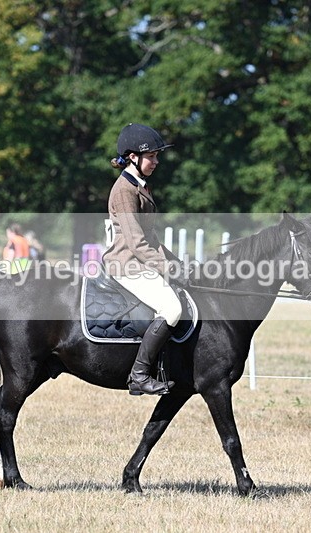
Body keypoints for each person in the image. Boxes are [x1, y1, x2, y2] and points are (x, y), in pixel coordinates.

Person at [102, 123, 185, 396]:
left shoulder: (140, 186)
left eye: (158, 156)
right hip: (127, 264)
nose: (157, 162)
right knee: (172, 309)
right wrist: (168, 268)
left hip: (140, 261)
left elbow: (152, 239)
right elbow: (137, 243)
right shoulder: (125, 190)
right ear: (133, 157)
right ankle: (139, 374)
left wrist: (179, 263)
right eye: (153, 156)